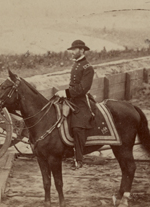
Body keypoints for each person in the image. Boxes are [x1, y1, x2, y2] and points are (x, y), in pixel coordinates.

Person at [55, 40, 95, 170]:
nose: (72, 52)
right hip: (72, 98)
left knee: (78, 127)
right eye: (72, 50)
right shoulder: (76, 64)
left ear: (82, 50)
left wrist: (66, 92)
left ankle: (79, 158)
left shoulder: (87, 67)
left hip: (81, 100)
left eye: (75, 49)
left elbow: (83, 88)